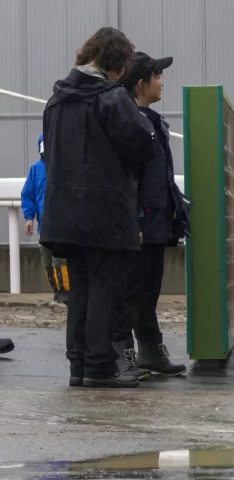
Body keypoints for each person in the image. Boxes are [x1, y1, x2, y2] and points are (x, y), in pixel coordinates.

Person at [41, 26, 155, 388]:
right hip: (104, 211)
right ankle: (101, 365)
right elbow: (140, 145)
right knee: (106, 286)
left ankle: (78, 366)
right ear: (116, 62)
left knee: (80, 289)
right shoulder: (110, 97)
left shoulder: (57, 99)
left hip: (64, 212)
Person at [112, 52, 190, 379]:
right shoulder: (129, 122)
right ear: (141, 83)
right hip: (139, 225)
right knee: (129, 292)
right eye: (157, 76)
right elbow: (127, 178)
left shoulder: (152, 120)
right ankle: (121, 354)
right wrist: (136, 221)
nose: (162, 82)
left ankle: (149, 349)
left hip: (157, 223)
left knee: (149, 291)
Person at [22, 134, 68, 307]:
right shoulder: (36, 170)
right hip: (44, 226)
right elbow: (28, 194)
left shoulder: (64, 168)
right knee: (48, 263)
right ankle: (57, 292)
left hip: (62, 224)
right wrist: (29, 218)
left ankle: (65, 294)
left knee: (60, 261)